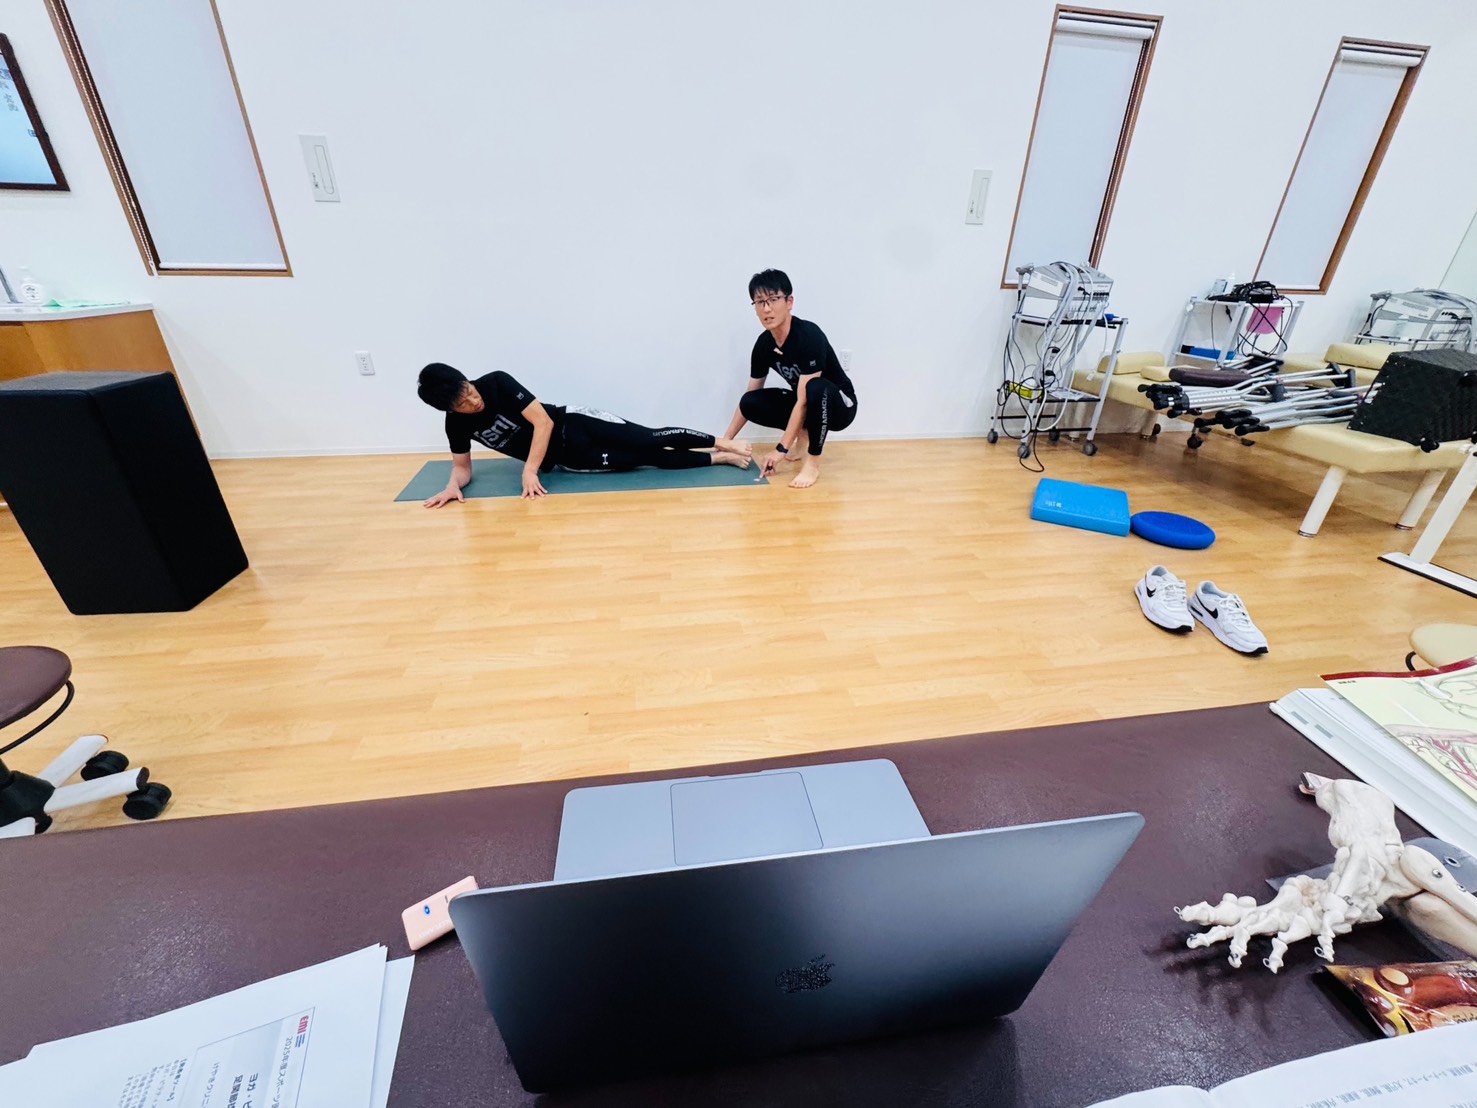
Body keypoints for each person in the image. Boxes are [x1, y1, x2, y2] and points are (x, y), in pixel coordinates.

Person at [416, 362, 752, 506]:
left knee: (649, 438)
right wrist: (452, 485)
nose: (473, 401)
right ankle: (719, 458)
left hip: (575, 423)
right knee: (648, 458)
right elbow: (462, 468)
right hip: (571, 459)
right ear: (448, 409)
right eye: (462, 404)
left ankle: (725, 442)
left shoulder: (496, 382)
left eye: (469, 390)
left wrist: (529, 470)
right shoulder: (455, 425)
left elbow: (543, 422)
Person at [724, 269, 857, 489]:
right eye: (760, 302)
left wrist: (780, 449)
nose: (767, 308)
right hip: (806, 402)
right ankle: (803, 432)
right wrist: (725, 442)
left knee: (815, 388)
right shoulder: (764, 344)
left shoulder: (809, 336)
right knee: (750, 402)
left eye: (773, 299)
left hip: (840, 406)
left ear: (789, 302)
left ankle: (812, 462)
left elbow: (804, 400)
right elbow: (751, 393)